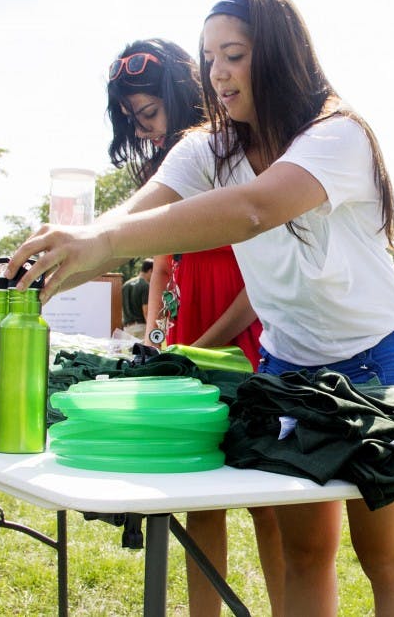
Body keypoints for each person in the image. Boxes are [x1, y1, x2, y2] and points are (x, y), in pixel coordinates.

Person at [4, 0, 394, 616]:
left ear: (282, 56)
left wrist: (100, 243)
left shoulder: (337, 136)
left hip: (379, 364)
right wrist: (72, 257)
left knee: (386, 556)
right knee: (306, 553)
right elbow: (144, 206)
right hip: (291, 371)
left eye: (234, 54)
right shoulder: (211, 146)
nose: (218, 73)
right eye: (209, 58)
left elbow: (253, 209)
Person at [103, 38, 281, 617]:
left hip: (241, 336)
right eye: (134, 119)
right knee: (200, 492)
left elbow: (266, 280)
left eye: (150, 113)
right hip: (191, 339)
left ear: (178, 99)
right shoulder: (168, 166)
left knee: (265, 498)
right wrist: (160, 346)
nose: (146, 129)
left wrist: (203, 347)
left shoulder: (231, 151)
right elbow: (161, 268)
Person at [120, 258, 153, 337]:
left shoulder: (126, 284)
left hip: (127, 329)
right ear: (150, 270)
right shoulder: (145, 285)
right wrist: (151, 330)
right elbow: (146, 311)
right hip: (140, 328)